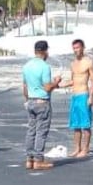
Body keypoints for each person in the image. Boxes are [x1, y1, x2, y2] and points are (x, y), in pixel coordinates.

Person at [21, 39, 64, 170]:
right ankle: (38, 160)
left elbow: (25, 86)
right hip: (42, 101)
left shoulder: (26, 66)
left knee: (31, 131)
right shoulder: (44, 67)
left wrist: (27, 100)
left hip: (31, 100)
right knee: (41, 131)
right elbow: (47, 87)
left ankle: (29, 159)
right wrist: (56, 82)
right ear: (45, 51)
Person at [66, 38, 93, 157]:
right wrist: (58, 84)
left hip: (84, 95)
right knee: (76, 125)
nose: (76, 50)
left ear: (83, 47)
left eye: (78, 47)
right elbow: (72, 80)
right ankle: (77, 148)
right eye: (74, 48)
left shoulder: (89, 62)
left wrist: (91, 97)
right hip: (75, 96)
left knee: (85, 125)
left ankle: (85, 149)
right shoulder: (72, 64)